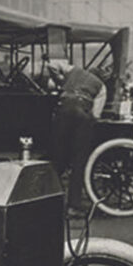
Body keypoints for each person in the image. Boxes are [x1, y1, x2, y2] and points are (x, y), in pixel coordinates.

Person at [44, 56, 107, 214]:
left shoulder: (72, 70)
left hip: (63, 110)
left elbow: (51, 64)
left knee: (58, 158)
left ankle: (49, 200)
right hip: (82, 113)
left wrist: (59, 81)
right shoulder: (101, 87)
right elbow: (96, 115)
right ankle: (73, 205)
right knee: (79, 161)